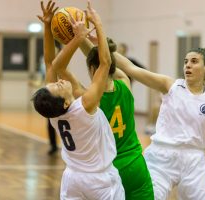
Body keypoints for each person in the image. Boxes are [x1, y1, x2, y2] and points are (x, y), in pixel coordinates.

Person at [114, 47, 205, 200]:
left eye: (194, 61)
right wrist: (100, 44)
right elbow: (130, 68)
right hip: (162, 156)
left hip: (194, 160)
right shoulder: (171, 86)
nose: (187, 65)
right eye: (186, 62)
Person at [33, 1, 124, 199]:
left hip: (72, 179)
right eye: (58, 86)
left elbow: (50, 63)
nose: (59, 82)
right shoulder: (86, 106)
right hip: (100, 180)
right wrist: (95, 26)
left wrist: (48, 27)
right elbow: (105, 63)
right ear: (65, 102)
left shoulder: (55, 116)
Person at [75, 36, 154, 199]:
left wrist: (77, 38)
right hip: (136, 164)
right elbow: (105, 62)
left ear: (91, 69)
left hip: (108, 169)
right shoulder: (125, 82)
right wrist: (91, 41)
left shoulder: (87, 99)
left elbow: (58, 69)